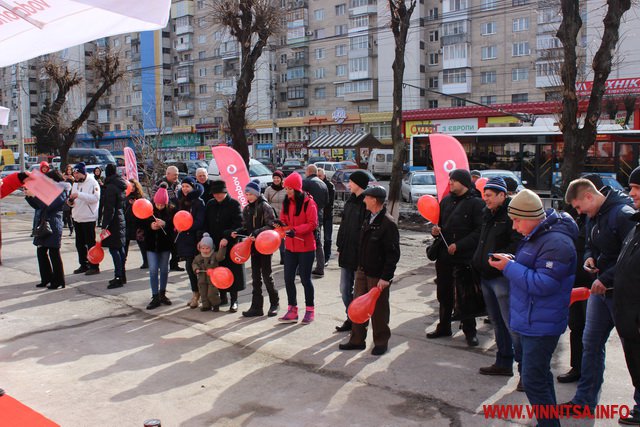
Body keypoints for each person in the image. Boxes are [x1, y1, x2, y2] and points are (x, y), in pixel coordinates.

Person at [489, 189, 578, 427]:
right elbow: (534, 267)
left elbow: (544, 284)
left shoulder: (557, 242)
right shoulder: (538, 235)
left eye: (517, 220)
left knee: (533, 379)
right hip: (531, 318)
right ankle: (548, 422)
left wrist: (509, 267)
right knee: (539, 376)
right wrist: (512, 261)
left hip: (542, 323)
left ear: (531, 216)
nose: (515, 227)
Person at [562, 178, 635, 414]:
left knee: (633, 349)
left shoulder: (623, 215)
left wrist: (606, 278)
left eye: (578, 206)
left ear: (589, 196)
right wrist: (589, 258)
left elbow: (632, 257)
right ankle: (584, 402)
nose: (578, 212)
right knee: (590, 344)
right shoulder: (593, 214)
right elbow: (590, 245)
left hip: (622, 294)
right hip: (600, 291)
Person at [338, 186, 400, 356]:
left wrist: (386, 277)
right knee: (358, 306)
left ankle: (381, 342)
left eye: (367, 197)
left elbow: (393, 254)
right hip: (362, 271)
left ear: (374, 200)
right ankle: (357, 340)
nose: (364, 200)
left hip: (378, 276)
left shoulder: (388, 223)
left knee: (379, 310)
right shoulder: (368, 218)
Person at [557, 173, 606, 384]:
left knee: (592, 333)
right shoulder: (575, 214)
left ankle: (589, 374)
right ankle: (577, 367)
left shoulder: (603, 217)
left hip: (594, 284)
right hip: (574, 281)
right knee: (576, 327)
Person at [426, 169, 484, 346]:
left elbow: (479, 231)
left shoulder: (476, 203)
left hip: (464, 259)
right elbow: (440, 225)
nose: (450, 183)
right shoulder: (446, 201)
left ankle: (470, 331)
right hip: (444, 257)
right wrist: (435, 231)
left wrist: (460, 245)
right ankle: (444, 326)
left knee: (465, 296)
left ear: (464, 183)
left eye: (454, 180)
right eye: (450, 180)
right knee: (444, 294)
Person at [472, 177, 522, 378]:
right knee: (497, 322)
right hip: (486, 276)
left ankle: (525, 372)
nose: (485, 199)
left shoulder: (512, 215)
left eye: (489, 195)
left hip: (502, 277)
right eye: (484, 195)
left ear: (502, 195)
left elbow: (517, 244)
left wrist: (499, 259)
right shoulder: (487, 213)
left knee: (512, 325)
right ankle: (503, 362)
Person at [613, 166, 640, 425]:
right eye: (631, 187)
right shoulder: (636, 225)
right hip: (630, 322)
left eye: (637, 188)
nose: (631, 193)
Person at [232, 180, 279, 318]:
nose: (249, 197)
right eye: (246, 194)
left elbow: (271, 225)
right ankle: (256, 307)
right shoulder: (247, 209)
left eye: (251, 194)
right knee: (255, 277)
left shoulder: (265, 206)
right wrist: (238, 232)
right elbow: (246, 227)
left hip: (265, 246)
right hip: (253, 247)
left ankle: (274, 303)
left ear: (257, 194)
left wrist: (257, 232)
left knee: (266, 275)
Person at [277, 172, 318, 324]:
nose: (287, 191)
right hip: (290, 247)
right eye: (286, 188)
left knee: (306, 279)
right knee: (288, 279)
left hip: (306, 247)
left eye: (289, 189)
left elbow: (312, 223)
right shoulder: (286, 202)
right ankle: (292, 309)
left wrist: (296, 230)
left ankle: (310, 310)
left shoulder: (309, 203)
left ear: (297, 189)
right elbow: (283, 219)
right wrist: (280, 225)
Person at [335, 170, 369, 332]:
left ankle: (358, 320)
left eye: (351, 182)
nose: (348, 184)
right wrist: (339, 246)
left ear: (359, 184)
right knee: (344, 289)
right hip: (346, 251)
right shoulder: (350, 201)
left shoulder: (367, 203)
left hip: (360, 254)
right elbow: (343, 226)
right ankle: (351, 316)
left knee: (359, 291)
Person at [204, 180, 245, 312]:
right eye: (215, 193)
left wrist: (227, 237)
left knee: (232, 272)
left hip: (231, 245)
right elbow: (206, 223)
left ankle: (234, 300)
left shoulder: (234, 204)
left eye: (219, 193)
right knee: (218, 270)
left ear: (225, 192)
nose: (217, 195)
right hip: (215, 244)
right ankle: (222, 297)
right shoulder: (210, 204)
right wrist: (204, 237)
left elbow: (239, 224)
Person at [25, 170, 69, 290]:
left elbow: (48, 206)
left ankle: (59, 280)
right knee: (41, 252)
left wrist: (35, 196)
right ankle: (46, 278)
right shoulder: (49, 191)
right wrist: (29, 196)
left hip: (53, 225)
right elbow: (38, 206)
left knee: (54, 253)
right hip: (44, 224)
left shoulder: (61, 191)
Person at [143, 183, 175, 310]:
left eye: (162, 205)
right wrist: (150, 226)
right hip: (151, 245)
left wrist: (165, 224)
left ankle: (162, 293)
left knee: (164, 269)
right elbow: (141, 224)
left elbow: (174, 227)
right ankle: (155, 295)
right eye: (158, 204)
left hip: (165, 246)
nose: (160, 206)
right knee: (153, 270)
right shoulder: (148, 209)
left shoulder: (171, 210)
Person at [175, 176, 206, 309]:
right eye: (183, 186)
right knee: (189, 267)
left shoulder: (199, 202)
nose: (185, 189)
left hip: (196, 239)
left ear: (193, 187)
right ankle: (195, 294)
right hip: (184, 239)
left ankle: (200, 295)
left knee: (196, 268)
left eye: (187, 186)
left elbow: (200, 222)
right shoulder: (180, 201)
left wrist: (186, 227)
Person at [69, 162, 101, 276]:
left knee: (90, 244)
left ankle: (94, 266)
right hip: (77, 217)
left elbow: (95, 198)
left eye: (77, 173)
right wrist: (70, 202)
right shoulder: (75, 184)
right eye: (74, 174)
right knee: (79, 244)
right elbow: (74, 198)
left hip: (88, 218)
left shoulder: (93, 182)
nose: (75, 176)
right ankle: (83, 264)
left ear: (83, 173)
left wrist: (79, 195)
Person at [101, 163, 128, 289]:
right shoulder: (120, 185)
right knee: (120, 248)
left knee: (114, 249)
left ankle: (118, 276)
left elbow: (109, 209)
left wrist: (104, 225)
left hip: (114, 222)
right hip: (121, 218)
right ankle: (122, 275)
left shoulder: (111, 187)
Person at [153, 165, 183, 271]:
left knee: (175, 242)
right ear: (167, 174)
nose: (176, 177)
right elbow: (155, 200)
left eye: (177, 175)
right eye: (174, 175)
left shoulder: (179, 184)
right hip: (163, 216)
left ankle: (174, 263)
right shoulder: (158, 184)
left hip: (176, 216)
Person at [302, 164, 328, 278]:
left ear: (308, 171)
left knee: (304, 242)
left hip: (306, 217)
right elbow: (326, 201)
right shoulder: (323, 184)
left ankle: (302, 268)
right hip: (319, 215)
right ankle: (320, 267)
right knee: (318, 242)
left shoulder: (305, 183)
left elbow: (300, 199)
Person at [192, 233, 227, 312]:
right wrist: (196, 269)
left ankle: (215, 304)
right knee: (203, 293)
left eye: (207, 248)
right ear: (200, 248)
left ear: (211, 247)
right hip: (202, 278)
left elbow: (220, 257)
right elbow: (194, 263)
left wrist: (222, 248)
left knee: (212, 293)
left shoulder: (214, 255)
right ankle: (206, 305)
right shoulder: (198, 257)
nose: (205, 250)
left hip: (212, 279)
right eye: (203, 248)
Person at [124, 179, 148, 269]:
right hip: (127, 223)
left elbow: (144, 208)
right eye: (131, 186)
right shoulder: (125, 196)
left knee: (142, 243)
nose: (132, 188)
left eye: (134, 186)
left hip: (138, 223)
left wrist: (136, 204)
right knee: (125, 243)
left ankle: (146, 261)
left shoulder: (140, 197)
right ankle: (122, 261)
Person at [264, 170, 287, 263]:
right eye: (274, 178)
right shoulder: (268, 189)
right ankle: (269, 256)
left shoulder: (286, 189)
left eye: (278, 178)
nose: (276, 180)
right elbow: (265, 202)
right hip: (272, 218)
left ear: (281, 179)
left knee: (282, 237)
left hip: (283, 217)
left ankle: (283, 257)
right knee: (271, 237)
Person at [317, 167, 335, 265]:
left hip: (327, 215)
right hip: (318, 215)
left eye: (320, 176)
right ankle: (319, 257)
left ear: (324, 175)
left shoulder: (330, 185)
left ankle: (326, 257)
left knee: (327, 238)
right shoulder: (316, 185)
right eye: (317, 176)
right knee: (317, 237)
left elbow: (330, 201)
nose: (318, 178)